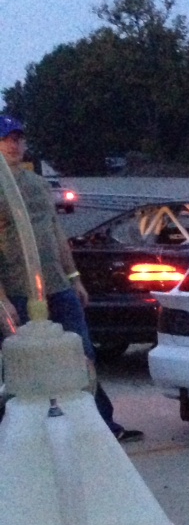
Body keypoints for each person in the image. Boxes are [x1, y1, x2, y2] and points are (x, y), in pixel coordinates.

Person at [0, 115, 142, 441]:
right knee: (25, 363)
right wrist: (2, 298)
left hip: (57, 286)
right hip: (18, 290)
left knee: (82, 353)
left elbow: (55, 232)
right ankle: (24, 435)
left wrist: (74, 277)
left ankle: (102, 426)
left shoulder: (38, 185)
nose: (14, 145)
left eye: (18, 138)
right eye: (6, 139)